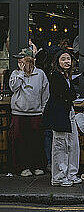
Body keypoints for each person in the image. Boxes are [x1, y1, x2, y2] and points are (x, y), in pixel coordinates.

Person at [8, 48, 49, 177]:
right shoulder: (15, 73)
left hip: (35, 113)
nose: (19, 61)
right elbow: (13, 88)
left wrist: (42, 110)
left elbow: (45, 93)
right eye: (18, 59)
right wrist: (21, 73)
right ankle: (23, 167)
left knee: (36, 141)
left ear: (30, 60)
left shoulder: (40, 74)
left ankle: (37, 166)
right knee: (20, 142)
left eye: (22, 58)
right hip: (19, 113)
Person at [43, 50, 81, 187]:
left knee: (73, 143)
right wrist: (72, 95)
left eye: (68, 59)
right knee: (60, 145)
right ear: (57, 61)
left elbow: (69, 95)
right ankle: (59, 176)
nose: (67, 61)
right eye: (63, 59)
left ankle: (71, 173)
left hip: (68, 111)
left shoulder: (66, 76)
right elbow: (66, 94)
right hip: (59, 114)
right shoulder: (55, 75)